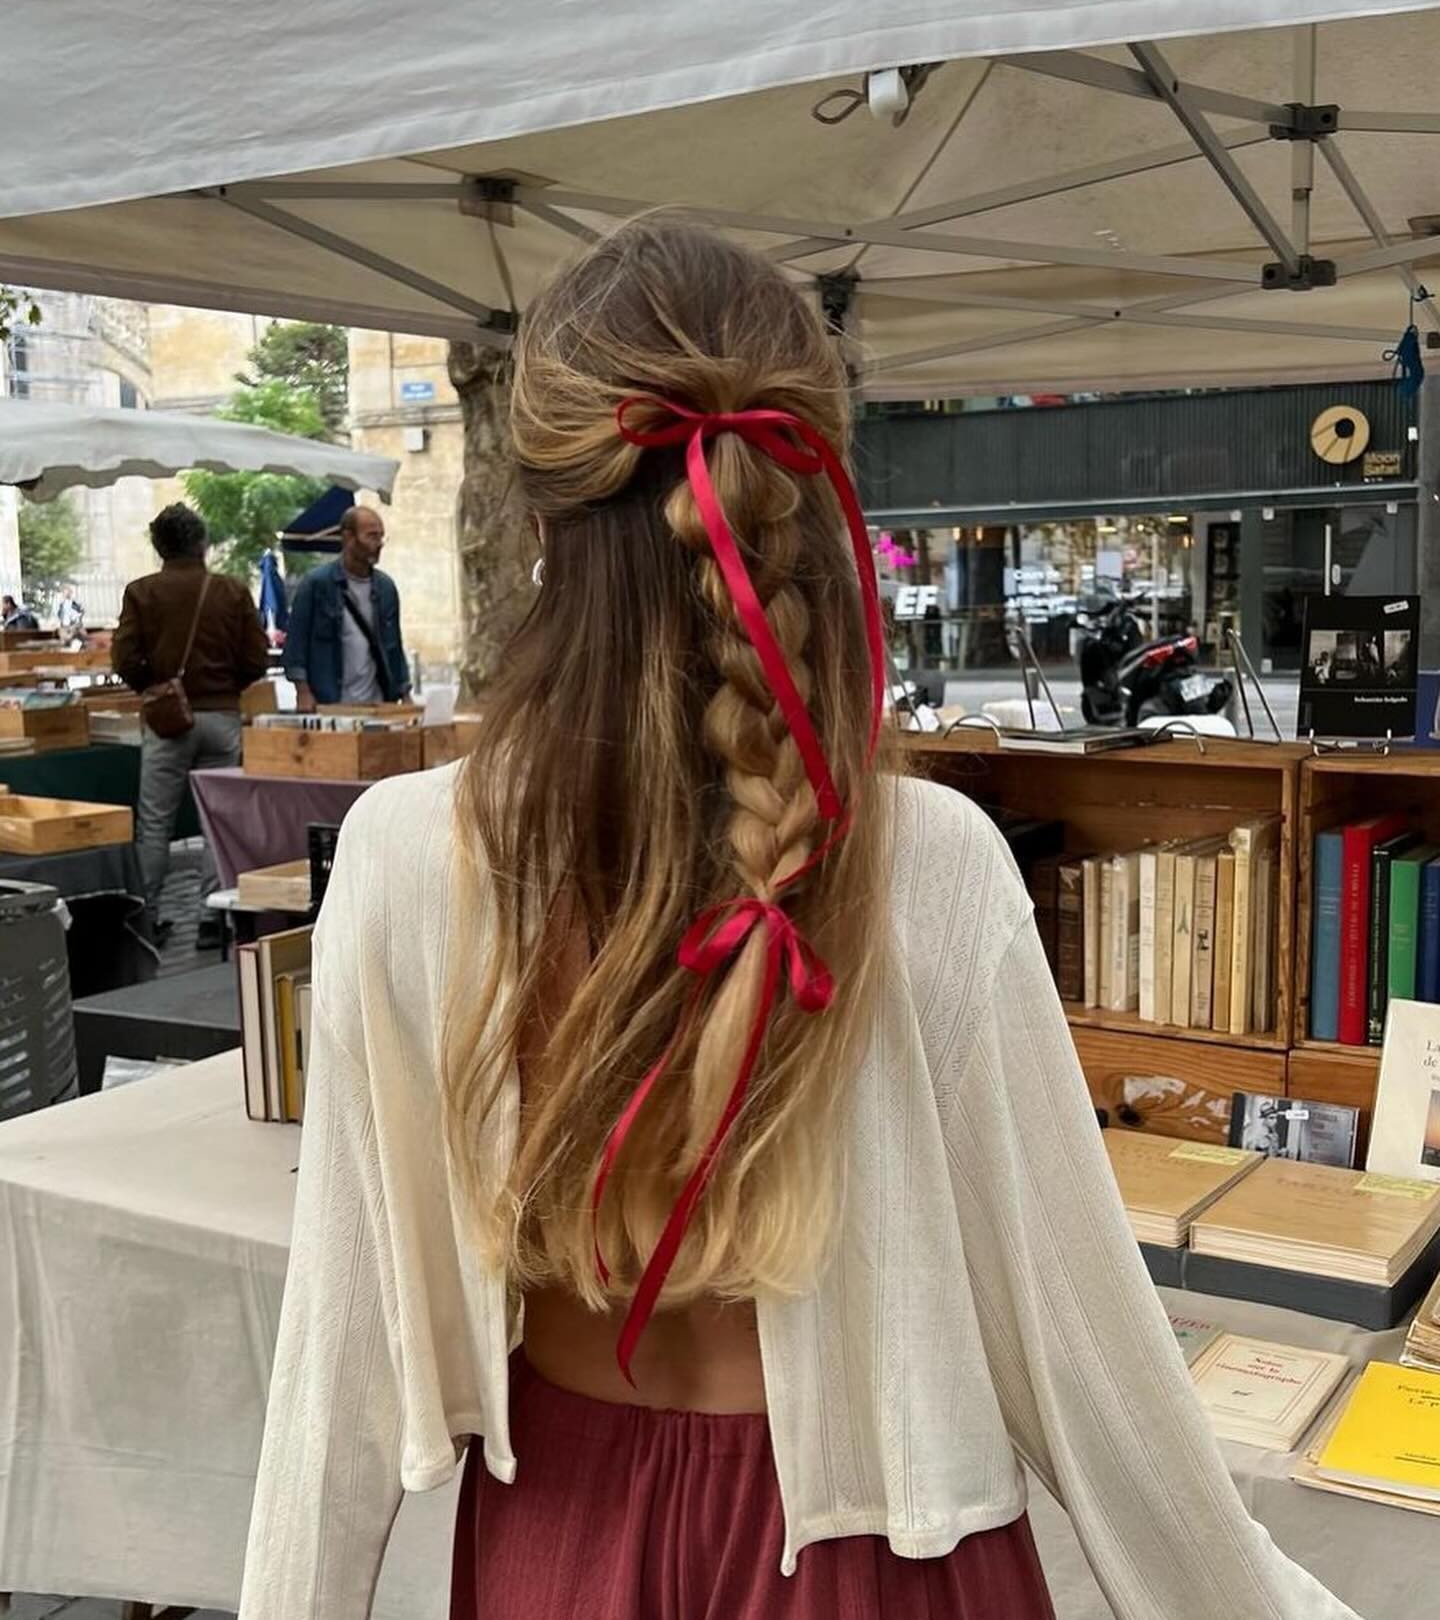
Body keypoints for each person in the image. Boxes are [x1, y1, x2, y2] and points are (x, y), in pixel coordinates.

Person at [239, 223, 1361, 1619]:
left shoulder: (407, 860)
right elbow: (1085, 1353)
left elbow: (333, 1363)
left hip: (560, 1555)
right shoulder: (932, 863)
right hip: (888, 1571)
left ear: (535, 522)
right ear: (811, 506)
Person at [113, 503, 268, 936]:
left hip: (166, 721)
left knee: (156, 820)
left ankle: (148, 916)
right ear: (202, 543)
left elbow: (124, 656)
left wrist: (156, 686)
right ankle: (211, 915)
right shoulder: (231, 591)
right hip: (221, 716)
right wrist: (228, 686)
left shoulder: (141, 592)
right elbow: (256, 657)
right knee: (217, 818)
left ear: (159, 546)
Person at [283, 506, 410, 709]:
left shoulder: (385, 588)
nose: (378, 544)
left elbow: (393, 644)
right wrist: (303, 691)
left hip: (377, 702)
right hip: (331, 700)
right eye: (371, 536)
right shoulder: (316, 584)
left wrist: (404, 692)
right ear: (348, 537)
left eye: (380, 537)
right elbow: (296, 644)